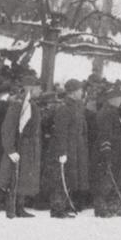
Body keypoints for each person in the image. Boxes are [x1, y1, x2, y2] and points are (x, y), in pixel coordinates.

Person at [0, 75, 43, 218]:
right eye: (38, 88)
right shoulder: (18, 105)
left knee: (24, 177)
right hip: (19, 147)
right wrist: (10, 149)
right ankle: (11, 207)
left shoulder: (31, 105)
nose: (40, 91)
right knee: (14, 177)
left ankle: (20, 206)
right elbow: (8, 128)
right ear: (30, 88)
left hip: (29, 148)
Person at [47, 79, 90, 218]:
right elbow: (61, 132)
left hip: (76, 149)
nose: (82, 92)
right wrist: (62, 152)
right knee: (62, 178)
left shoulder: (77, 107)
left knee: (71, 178)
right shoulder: (64, 108)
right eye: (80, 90)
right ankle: (58, 208)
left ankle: (65, 205)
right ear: (73, 92)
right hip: (67, 148)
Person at [94, 88, 121, 217]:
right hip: (109, 150)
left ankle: (113, 206)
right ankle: (101, 207)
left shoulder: (114, 112)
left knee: (115, 178)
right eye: (119, 98)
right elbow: (104, 134)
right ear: (113, 99)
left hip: (117, 150)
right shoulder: (106, 113)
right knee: (106, 178)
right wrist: (106, 150)